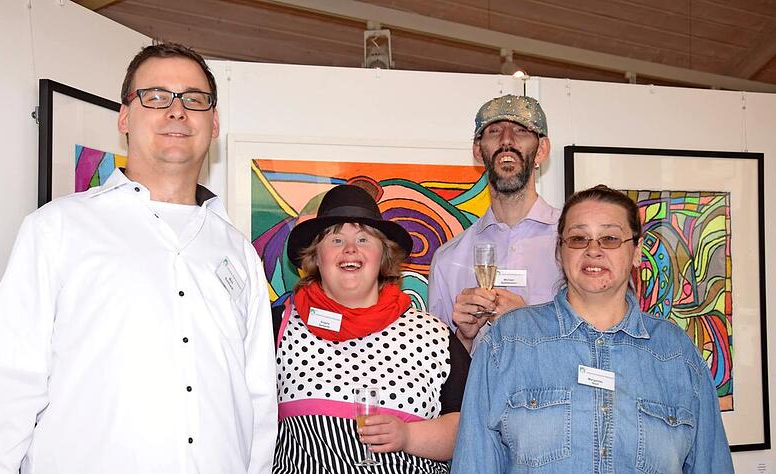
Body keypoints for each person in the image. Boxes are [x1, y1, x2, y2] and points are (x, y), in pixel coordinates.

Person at [0, 43, 276, 473]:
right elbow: (8, 384)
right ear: (125, 116)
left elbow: (258, 400)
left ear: (214, 121)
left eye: (194, 99)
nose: (176, 111)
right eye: (156, 96)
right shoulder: (58, 228)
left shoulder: (238, 252)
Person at [451, 185, 733, 473]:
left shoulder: (677, 353)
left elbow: (712, 465)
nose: (593, 250)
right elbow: (474, 462)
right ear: (560, 252)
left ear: (636, 252)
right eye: (578, 238)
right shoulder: (507, 343)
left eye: (610, 238)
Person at [272, 184, 470, 473]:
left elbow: (468, 428)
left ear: (383, 256)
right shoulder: (277, 327)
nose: (351, 249)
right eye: (336, 240)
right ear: (316, 257)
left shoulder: (433, 335)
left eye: (364, 239)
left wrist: (408, 436)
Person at [428, 95, 562, 353]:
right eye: (494, 131)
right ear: (478, 151)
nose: (507, 140)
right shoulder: (448, 259)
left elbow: (599, 344)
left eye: (521, 131)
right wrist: (464, 337)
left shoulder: (574, 246)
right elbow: (440, 372)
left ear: (542, 150)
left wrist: (530, 323)